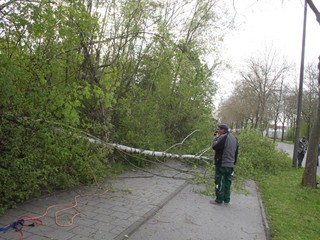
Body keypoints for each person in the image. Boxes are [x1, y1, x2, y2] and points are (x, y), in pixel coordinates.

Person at [210, 124, 239, 205]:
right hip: (231, 165)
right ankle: (227, 200)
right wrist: (234, 163)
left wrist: (216, 138)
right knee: (227, 182)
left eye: (218, 129)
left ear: (222, 130)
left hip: (222, 164)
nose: (217, 131)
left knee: (219, 182)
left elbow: (215, 146)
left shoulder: (223, 137)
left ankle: (219, 200)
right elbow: (236, 152)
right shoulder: (234, 138)